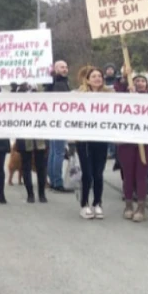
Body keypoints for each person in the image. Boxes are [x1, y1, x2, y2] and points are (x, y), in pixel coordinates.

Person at [114, 70, 148, 222]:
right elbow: (115, 94)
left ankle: (141, 207)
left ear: (147, 84)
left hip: (145, 141)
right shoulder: (124, 95)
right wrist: (124, 81)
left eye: (143, 81)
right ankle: (128, 205)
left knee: (141, 175)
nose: (139, 83)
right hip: (126, 140)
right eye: (137, 80)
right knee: (128, 174)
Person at [77, 67, 113, 219]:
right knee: (87, 173)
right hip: (85, 139)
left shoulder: (110, 95)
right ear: (87, 79)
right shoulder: (79, 95)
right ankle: (84, 204)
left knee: (99, 173)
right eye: (94, 76)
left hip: (101, 138)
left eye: (100, 76)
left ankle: (97, 203)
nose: (97, 78)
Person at [43, 60, 73, 193]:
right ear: (55, 69)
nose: (65, 69)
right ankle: (57, 182)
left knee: (54, 151)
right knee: (59, 152)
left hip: (52, 121)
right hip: (59, 121)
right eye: (62, 67)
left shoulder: (52, 82)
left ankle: (52, 179)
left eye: (66, 67)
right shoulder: (60, 84)